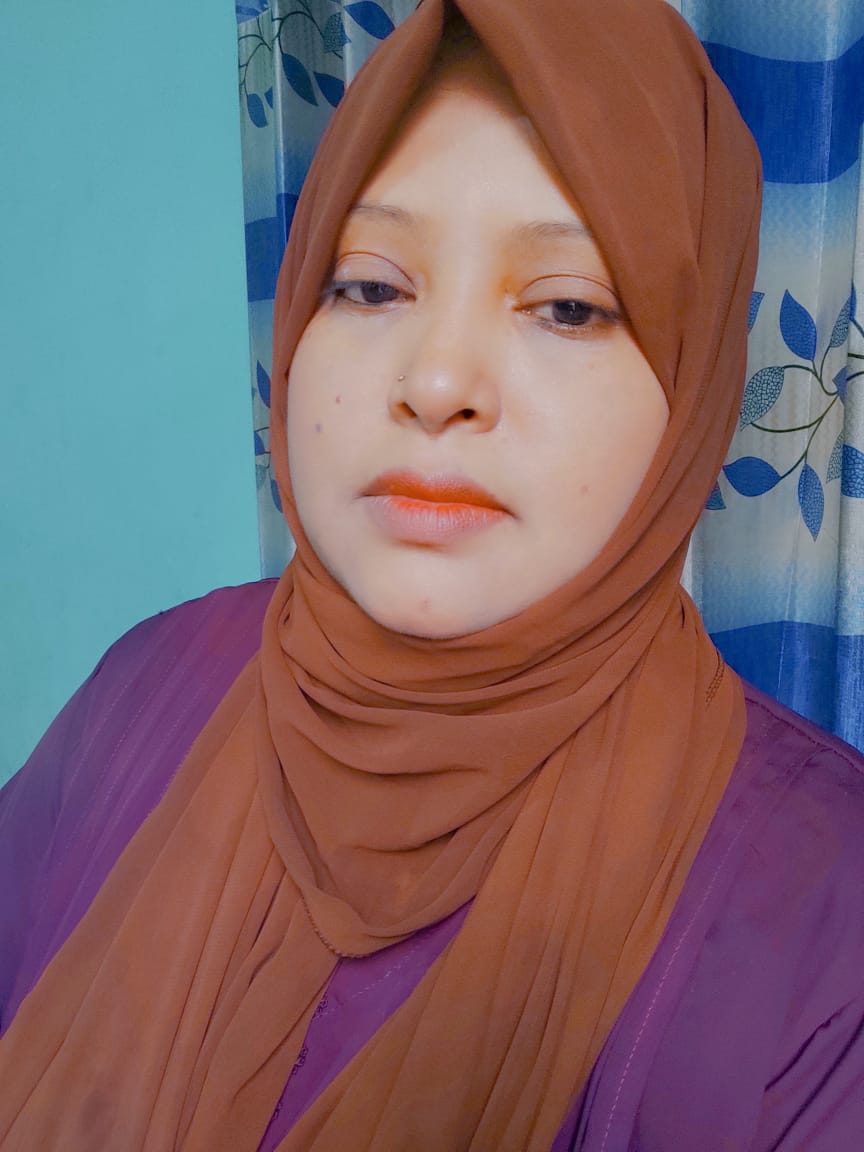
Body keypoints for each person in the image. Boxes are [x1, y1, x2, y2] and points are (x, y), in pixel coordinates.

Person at [1, 0, 863, 1148]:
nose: (438, 380)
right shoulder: (148, 685)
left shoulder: (828, 924)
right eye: (369, 286)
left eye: (568, 306)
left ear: (692, 385)